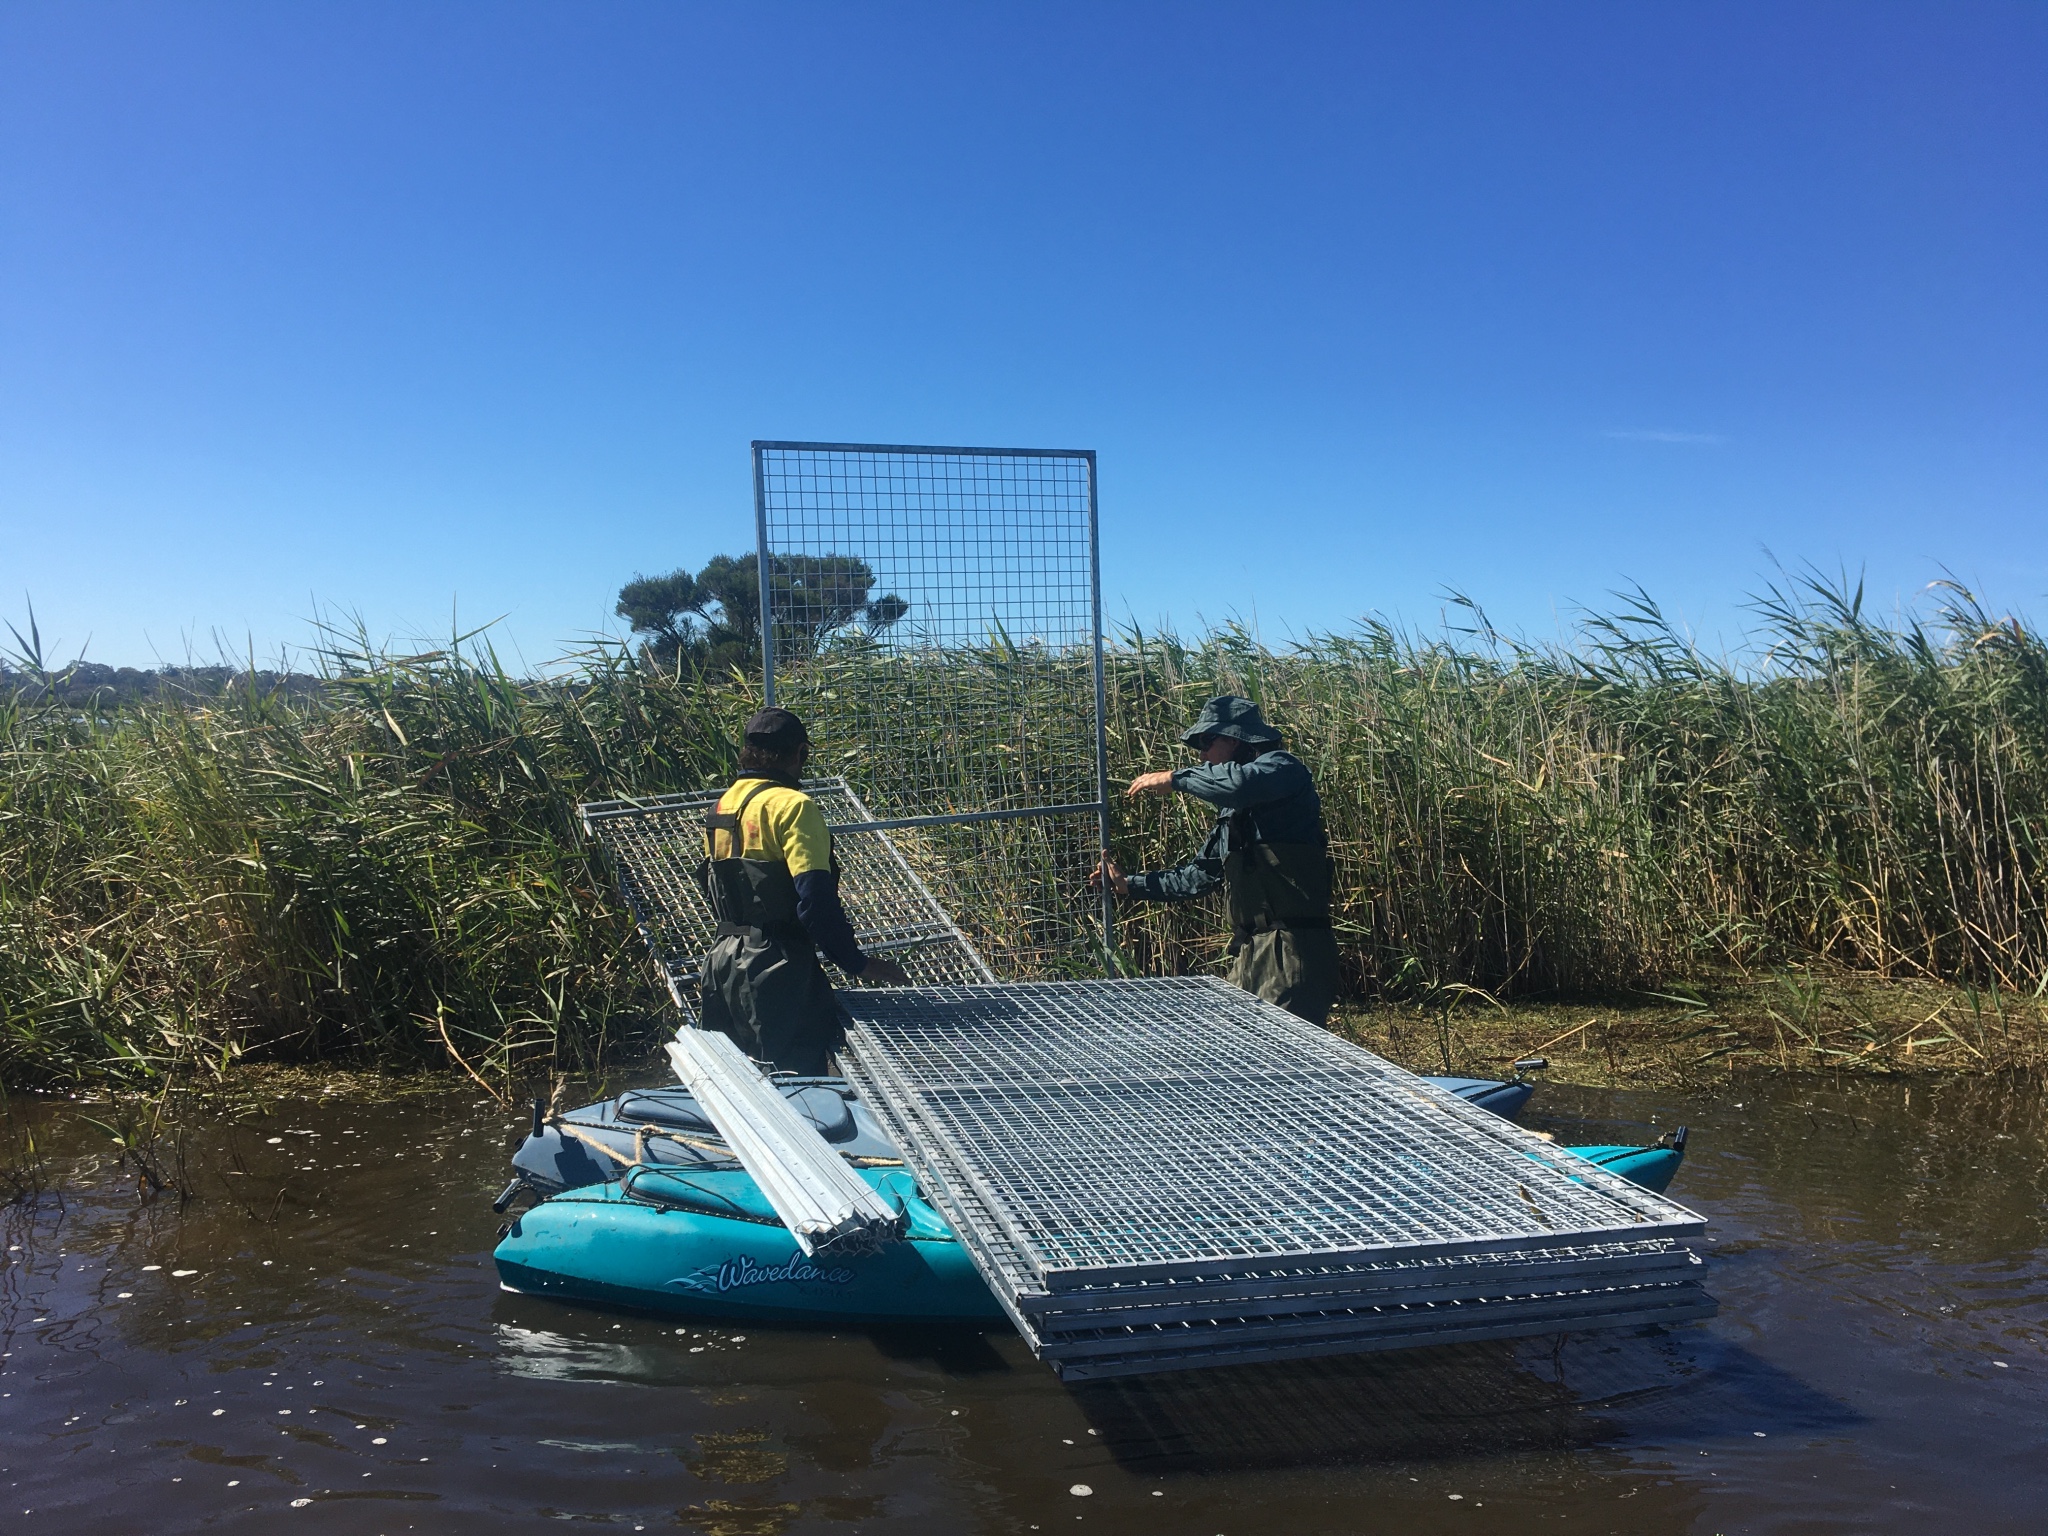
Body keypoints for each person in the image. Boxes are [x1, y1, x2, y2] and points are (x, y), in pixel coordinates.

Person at [1092, 696, 1340, 1025]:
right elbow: (1198, 877)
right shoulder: (1234, 810)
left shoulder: (1284, 769)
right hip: (1249, 953)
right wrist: (1129, 885)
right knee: (1239, 1062)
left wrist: (1176, 778)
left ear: (1236, 739)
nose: (1202, 754)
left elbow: (1238, 784)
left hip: (1292, 951)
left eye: (1208, 742)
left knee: (1284, 1067)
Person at [695, 707, 909, 1073]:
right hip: (775, 971)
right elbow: (814, 900)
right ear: (799, 754)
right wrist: (857, 963)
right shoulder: (793, 806)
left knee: (738, 1082)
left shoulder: (722, 805)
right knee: (797, 1088)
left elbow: (717, 886)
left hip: (722, 961)